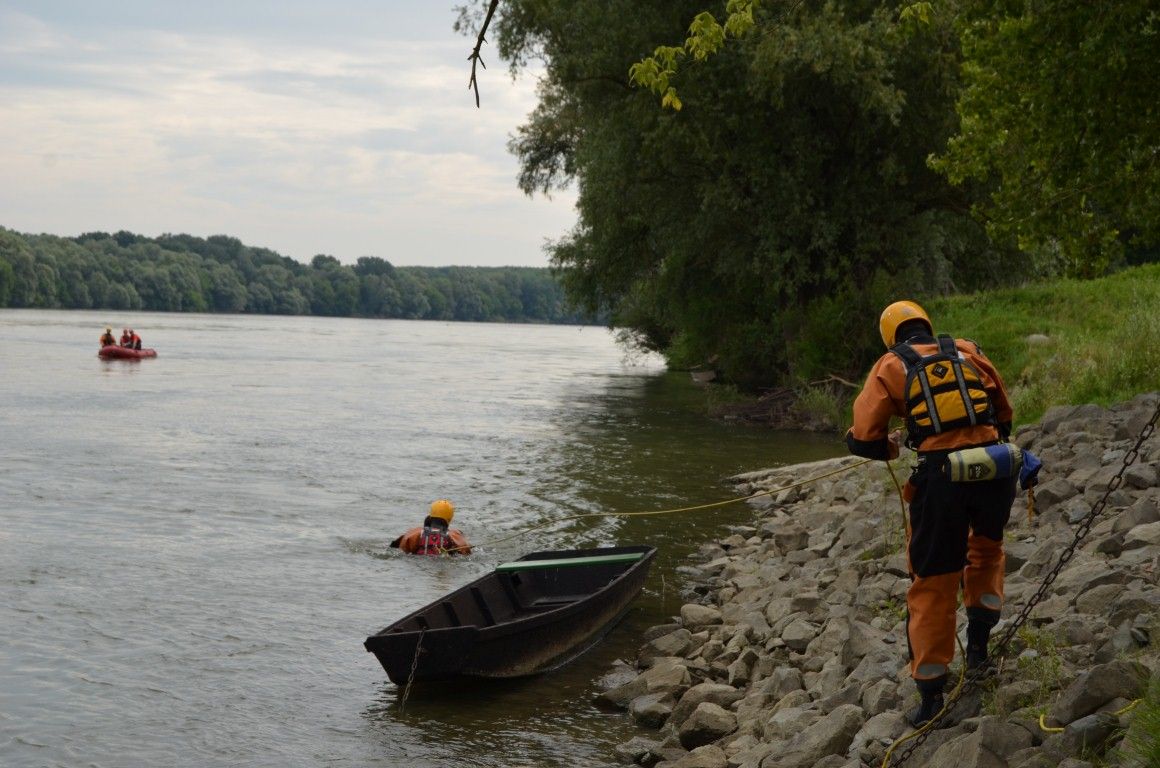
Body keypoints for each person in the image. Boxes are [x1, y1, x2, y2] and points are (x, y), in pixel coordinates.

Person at [845, 300, 1015, 728]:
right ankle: (979, 654)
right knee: (986, 554)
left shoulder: (890, 365)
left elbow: (864, 438)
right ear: (926, 323)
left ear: (891, 336)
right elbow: (1003, 413)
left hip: (941, 482)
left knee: (934, 582)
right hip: (995, 469)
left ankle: (931, 698)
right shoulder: (966, 349)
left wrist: (893, 446)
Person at [390, 499, 472, 556]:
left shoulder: (414, 533)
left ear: (431, 514)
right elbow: (466, 552)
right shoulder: (454, 536)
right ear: (450, 518)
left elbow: (395, 547)